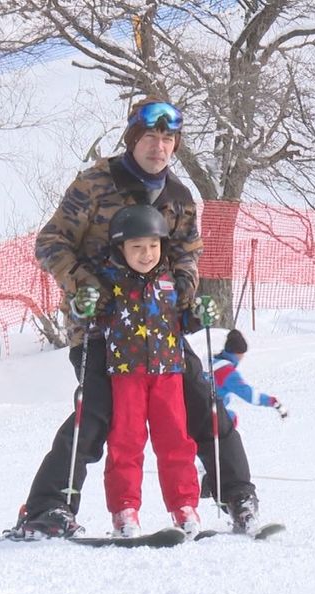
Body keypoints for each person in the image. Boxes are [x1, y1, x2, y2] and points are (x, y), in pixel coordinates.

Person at [9, 97, 262, 539]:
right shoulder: (95, 184)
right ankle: (48, 509)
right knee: (97, 414)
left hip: (159, 327)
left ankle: (237, 495)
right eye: (150, 137)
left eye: (168, 139)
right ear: (133, 139)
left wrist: (183, 296)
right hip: (99, 326)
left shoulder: (179, 197)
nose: (159, 147)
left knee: (201, 404)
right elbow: (51, 243)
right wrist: (86, 285)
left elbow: (186, 258)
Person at [89, 204, 202, 536]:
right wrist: (83, 303)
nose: (146, 254)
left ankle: (184, 506)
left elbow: (185, 318)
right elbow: (88, 310)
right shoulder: (110, 283)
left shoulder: (171, 281)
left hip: (169, 373)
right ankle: (125, 510)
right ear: (121, 249)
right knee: (126, 441)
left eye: (153, 246)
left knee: (176, 441)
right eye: (137, 247)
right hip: (127, 375)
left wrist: (199, 315)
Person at [212, 329, 288, 427]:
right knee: (231, 419)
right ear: (237, 353)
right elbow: (250, 396)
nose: (243, 357)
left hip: (197, 410)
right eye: (242, 354)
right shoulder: (227, 372)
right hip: (210, 416)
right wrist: (273, 401)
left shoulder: (212, 362)